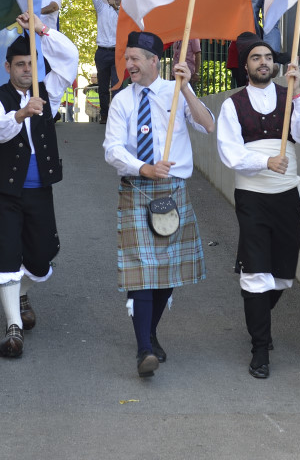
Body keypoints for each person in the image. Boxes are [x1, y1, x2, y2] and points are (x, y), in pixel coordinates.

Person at [102, 31, 214, 378]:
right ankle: (144, 349)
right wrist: (143, 167)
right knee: (141, 273)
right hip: (137, 188)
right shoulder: (122, 100)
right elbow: (112, 149)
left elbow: (208, 125)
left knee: (167, 273)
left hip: (173, 190)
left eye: (136, 58)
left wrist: (187, 88)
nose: (130, 64)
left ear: (154, 61)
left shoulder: (175, 90)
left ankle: (149, 330)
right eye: (127, 58)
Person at [216, 36, 300, 379]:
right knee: (256, 272)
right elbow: (229, 152)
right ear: (245, 66)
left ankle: (259, 316)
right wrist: (265, 161)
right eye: (255, 58)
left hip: (287, 194)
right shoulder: (233, 105)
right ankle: (259, 348)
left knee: (282, 273)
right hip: (252, 197)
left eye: (267, 57)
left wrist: (299, 94)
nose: (262, 62)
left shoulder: (288, 96)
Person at [0, 12, 79, 358]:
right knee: (5, 255)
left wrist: (42, 30)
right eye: (20, 64)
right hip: (5, 191)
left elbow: (71, 59)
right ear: (8, 67)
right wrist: (20, 114)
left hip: (39, 189)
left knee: (40, 256)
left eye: (31, 64)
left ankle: (20, 292)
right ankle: (13, 326)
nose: (26, 70)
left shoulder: (48, 90)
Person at [90, 0, 122, 123]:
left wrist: (115, 7)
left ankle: (115, 115)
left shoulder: (124, 12)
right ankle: (104, 114)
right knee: (103, 86)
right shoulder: (102, 8)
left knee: (117, 85)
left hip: (117, 52)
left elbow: (126, 23)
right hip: (102, 52)